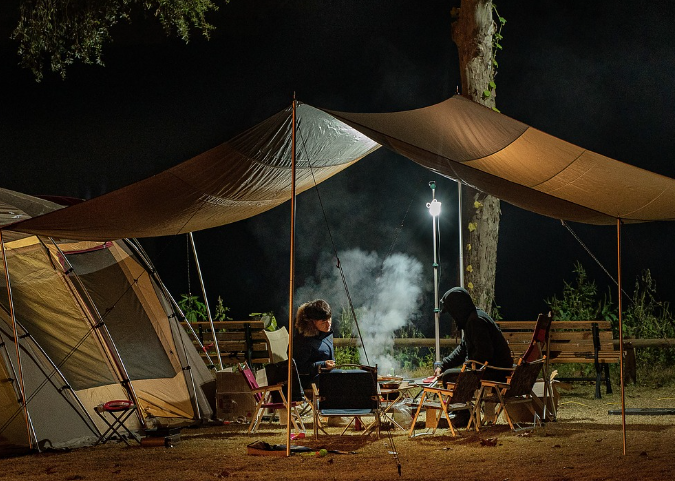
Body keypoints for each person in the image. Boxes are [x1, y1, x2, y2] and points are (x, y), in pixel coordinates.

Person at [433, 286, 513, 385]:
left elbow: (484, 353)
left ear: (458, 308)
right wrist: (443, 366)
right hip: (489, 369)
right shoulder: (472, 319)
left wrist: (466, 368)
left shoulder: (476, 322)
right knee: (449, 373)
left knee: (448, 376)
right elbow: (462, 349)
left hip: (496, 371)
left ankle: (460, 395)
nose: (453, 316)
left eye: (452, 312)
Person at [292, 299, 336, 390]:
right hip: (309, 382)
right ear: (312, 321)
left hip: (325, 376)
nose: (328, 325)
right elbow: (298, 368)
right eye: (323, 322)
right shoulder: (303, 341)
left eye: (329, 319)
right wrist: (322, 365)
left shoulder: (324, 333)